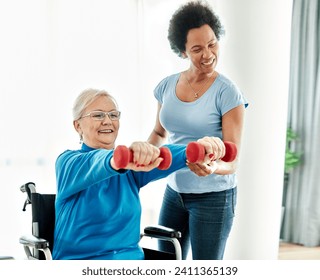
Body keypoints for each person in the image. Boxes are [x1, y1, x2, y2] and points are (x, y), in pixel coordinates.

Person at [52, 88, 216, 260]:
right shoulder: (68, 163)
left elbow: (164, 153)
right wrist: (123, 157)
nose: (108, 121)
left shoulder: (131, 171)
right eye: (98, 115)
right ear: (77, 125)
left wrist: (198, 149)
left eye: (113, 115)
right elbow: (97, 161)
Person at [147, 1, 248, 260]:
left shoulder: (228, 92)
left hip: (213, 197)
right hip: (174, 192)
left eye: (212, 44)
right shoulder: (166, 86)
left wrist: (213, 167)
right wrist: (146, 154)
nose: (208, 54)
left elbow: (232, 160)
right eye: (197, 48)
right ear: (182, 51)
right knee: (166, 263)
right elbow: (159, 133)